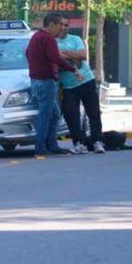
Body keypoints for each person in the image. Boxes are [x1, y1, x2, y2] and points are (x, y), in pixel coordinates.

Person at [26, 13, 84, 159]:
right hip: (46, 81)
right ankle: (40, 148)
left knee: (55, 113)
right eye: (59, 25)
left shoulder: (36, 37)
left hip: (38, 80)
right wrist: (73, 70)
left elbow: (28, 53)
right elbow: (55, 58)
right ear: (51, 25)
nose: (61, 29)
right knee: (45, 115)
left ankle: (52, 145)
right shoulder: (48, 38)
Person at [56, 20, 105, 154]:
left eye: (66, 25)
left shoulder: (75, 39)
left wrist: (64, 53)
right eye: (61, 24)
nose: (64, 27)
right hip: (68, 86)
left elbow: (82, 56)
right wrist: (72, 56)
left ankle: (97, 142)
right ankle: (79, 143)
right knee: (71, 114)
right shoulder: (52, 42)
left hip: (86, 80)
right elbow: (57, 61)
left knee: (93, 112)